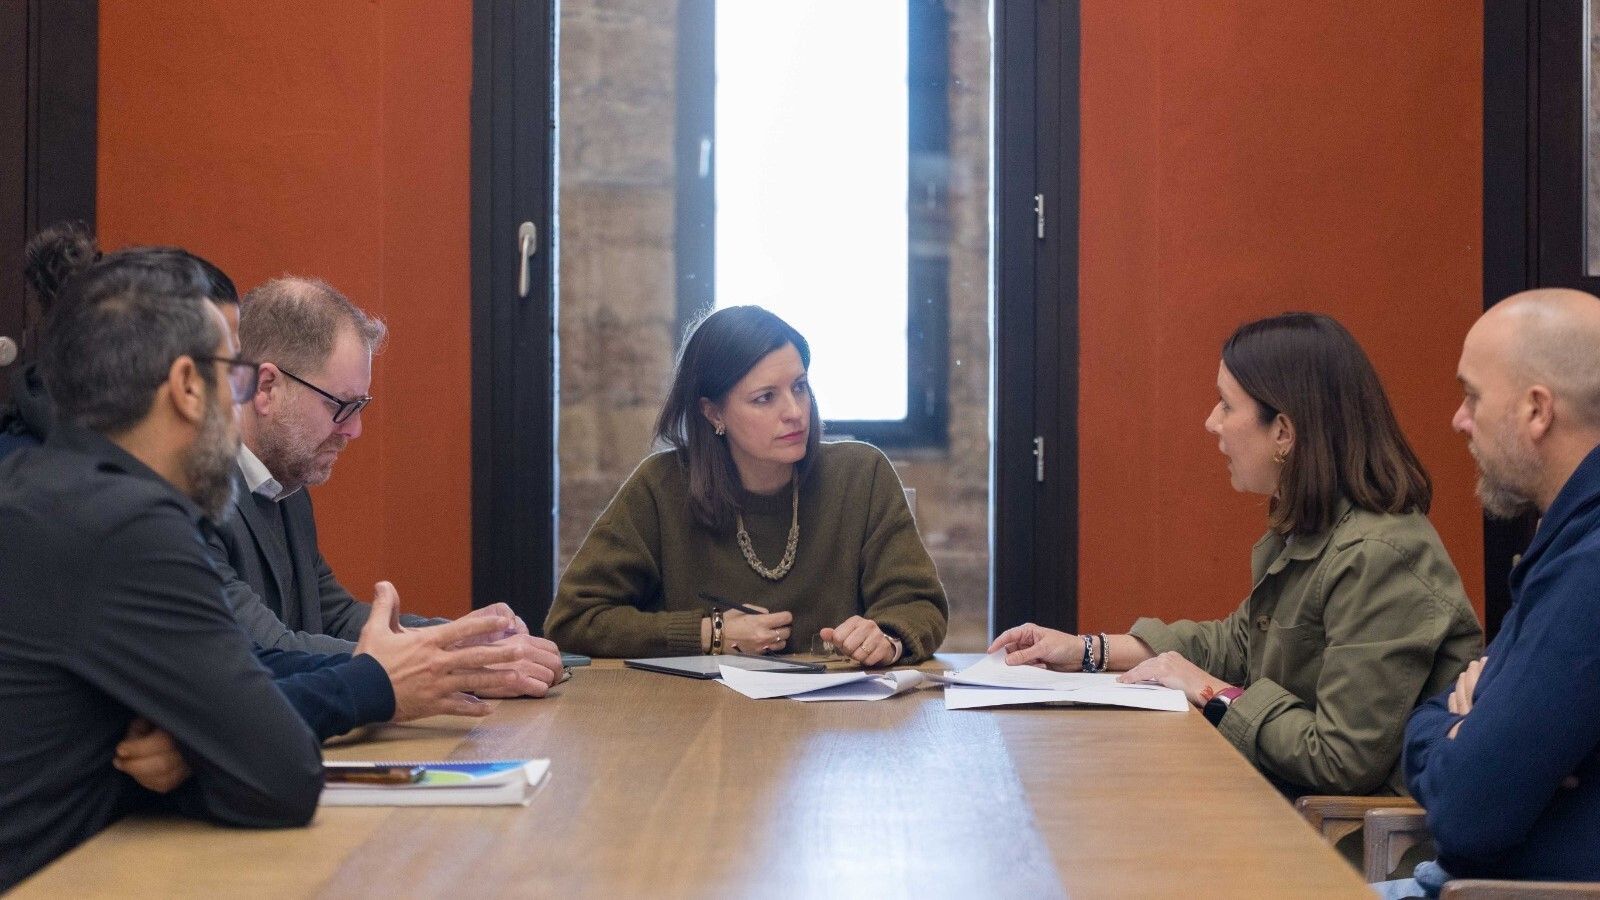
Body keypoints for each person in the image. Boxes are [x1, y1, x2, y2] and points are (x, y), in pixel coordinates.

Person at [0, 247, 519, 890]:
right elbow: (281, 775)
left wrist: (197, 738)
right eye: (233, 374)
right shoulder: (125, 526)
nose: (240, 399)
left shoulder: (55, 489)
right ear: (189, 387)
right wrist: (220, 742)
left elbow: (248, 665)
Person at [990, 313, 1482, 796]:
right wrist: (1084, 651)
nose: (1211, 422)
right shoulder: (1318, 529)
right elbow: (1236, 645)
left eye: (1226, 405)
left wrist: (1210, 692)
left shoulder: (1379, 555)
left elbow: (1340, 758)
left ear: (1284, 433)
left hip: (1348, 853)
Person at [214, 275, 563, 696]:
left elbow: (335, 617)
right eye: (340, 406)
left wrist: (464, 640)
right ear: (267, 388)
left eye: (359, 406)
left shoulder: (286, 484)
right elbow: (267, 650)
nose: (355, 429)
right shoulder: (197, 496)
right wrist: (451, 663)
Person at [545, 305, 948, 664]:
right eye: (764, 398)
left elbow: (918, 605)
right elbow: (575, 619)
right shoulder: (661, 487)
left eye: (799, 387)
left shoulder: (862, 475)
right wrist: (711, 633)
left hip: (836, 723)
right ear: (713, 412)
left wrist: (888, 637)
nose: (794, 412)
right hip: (693, 723)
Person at [1387, 289, 1600, 894]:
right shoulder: (1569, 544)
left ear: (1537, 410)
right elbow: (1433, 719)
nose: (1459, 418)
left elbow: (1467, 816)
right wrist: (1464, 733)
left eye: (1472, 395)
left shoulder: (1589, 568)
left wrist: (1469, 730)